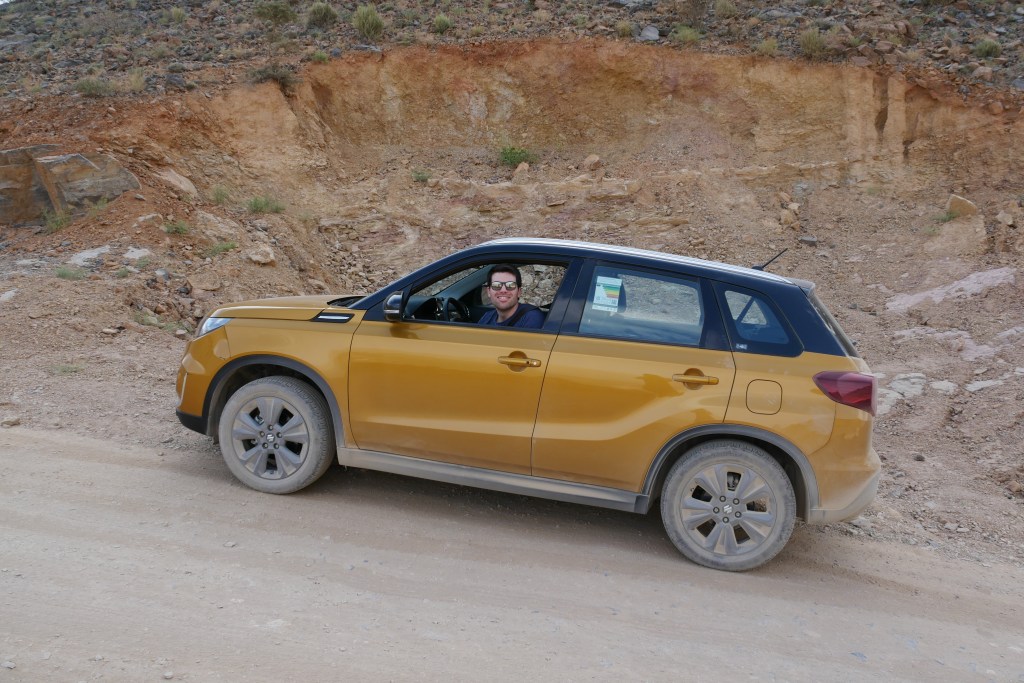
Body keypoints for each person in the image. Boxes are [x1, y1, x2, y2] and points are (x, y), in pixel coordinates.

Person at [477, 264, 545, 329]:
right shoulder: (487, 317)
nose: (503, 290)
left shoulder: (531, 317)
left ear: (519, 292)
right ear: (488, 292)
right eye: (496, 285)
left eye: (510, 285)